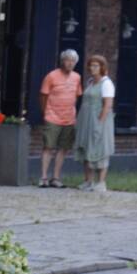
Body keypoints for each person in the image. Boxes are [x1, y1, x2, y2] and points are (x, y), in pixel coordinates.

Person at [38, 49, 82, 188]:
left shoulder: (77, 77)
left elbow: (77, 95)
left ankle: (56, 177)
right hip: (52, 116)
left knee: (63, 148)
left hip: (69, 118)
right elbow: (43, 95)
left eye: (73, 61)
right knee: (48, 147)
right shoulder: (51, 76)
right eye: (67, 60)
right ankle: (44, 177)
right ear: (62, 61)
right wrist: (46, 112)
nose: (70, 63)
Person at [75, 55, 115, 193]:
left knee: (100, 148)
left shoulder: (106, 83)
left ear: (102, 67)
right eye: (91, 65)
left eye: (96, 65)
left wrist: (100, 123)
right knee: (87, 147)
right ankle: (88, 181)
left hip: (99, 120)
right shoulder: (90, 82)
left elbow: (107, 105)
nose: (93, 68)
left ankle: (101, 182)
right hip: (86, 120)